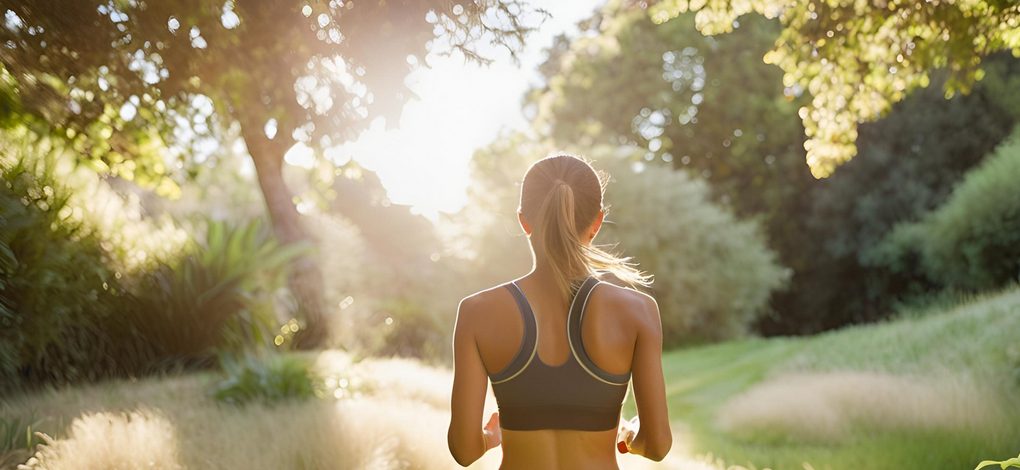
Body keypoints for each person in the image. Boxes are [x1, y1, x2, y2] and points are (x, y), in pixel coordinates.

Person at [447, 154, 672, 469]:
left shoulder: (476, 312)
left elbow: (464, 450)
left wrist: (490, 435)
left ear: (523, 221)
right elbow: (658, 445)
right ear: (596, 223)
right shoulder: (638, 311)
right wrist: (630, 433)